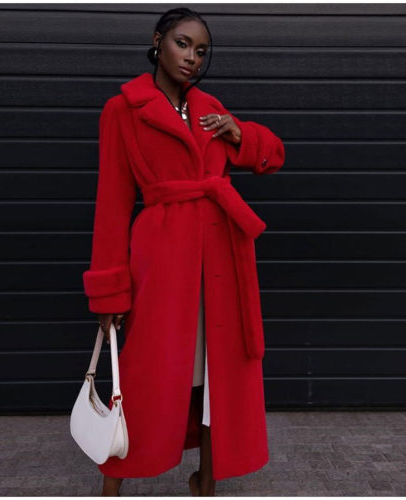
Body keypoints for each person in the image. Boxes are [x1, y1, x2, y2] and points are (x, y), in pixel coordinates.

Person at [82, 7, 285, 496]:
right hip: (164, 257)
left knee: (216, 373)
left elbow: (273, 154)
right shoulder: (123, 109)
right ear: (158, 40)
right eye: (183, 44)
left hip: (220, 256)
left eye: (201, 50)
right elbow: (111, 204)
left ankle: (207, 479)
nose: (192, 57)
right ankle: (113, 484)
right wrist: (110, 294)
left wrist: (240, 131)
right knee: (146, 372)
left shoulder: (211, 108)